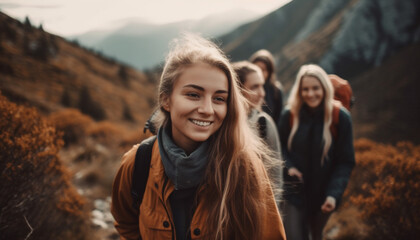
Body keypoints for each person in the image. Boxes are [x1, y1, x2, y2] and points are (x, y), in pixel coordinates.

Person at [111, 34, 286, 240]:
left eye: (219, 98)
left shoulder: (245, 167)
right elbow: (126, 223)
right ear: (166, 100)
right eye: (193, 94)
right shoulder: (137, 163)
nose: (207, 109)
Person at [277, 64, 355, 240]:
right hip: (294, 193)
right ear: (299, 90)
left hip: (324, 196)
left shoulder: (340, 117)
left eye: (315, 88)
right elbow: (279, 147)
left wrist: (333, 195)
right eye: (305, 89)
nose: (310, 94)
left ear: (324, 88)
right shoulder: (289, 115)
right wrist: (289, 167)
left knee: (316, 235)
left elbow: (345, 161)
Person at [233, 61, 283, 206]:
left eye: (262, 85)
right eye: (255, 87)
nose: (262, 93)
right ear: (238, 89)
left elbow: (276, 175)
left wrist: (273, 213)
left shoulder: (264, 123)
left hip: (258, 210)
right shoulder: (221, 125)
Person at [249, 49, 283, 124]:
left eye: (263, 69)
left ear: (270, 72)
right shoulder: (245, 88)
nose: (259, 72)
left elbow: (278, 118)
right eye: (256, 68)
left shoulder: (276, 91)